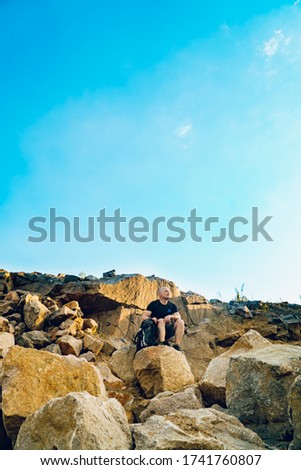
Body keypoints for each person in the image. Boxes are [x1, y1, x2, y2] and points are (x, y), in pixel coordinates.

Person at [141, 286, 185, 351]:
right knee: (161, 320)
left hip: (167, 330)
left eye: (169, 291)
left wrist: (171, 316)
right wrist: (152, 319)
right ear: (160, 294)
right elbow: (144, 316)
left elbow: (178, 316)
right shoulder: (154, 304)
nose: (168, 292)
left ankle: (177, 345)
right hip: (155, 331)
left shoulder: (172, 306)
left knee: (180, 322)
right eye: (166, 291)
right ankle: (162, 342)